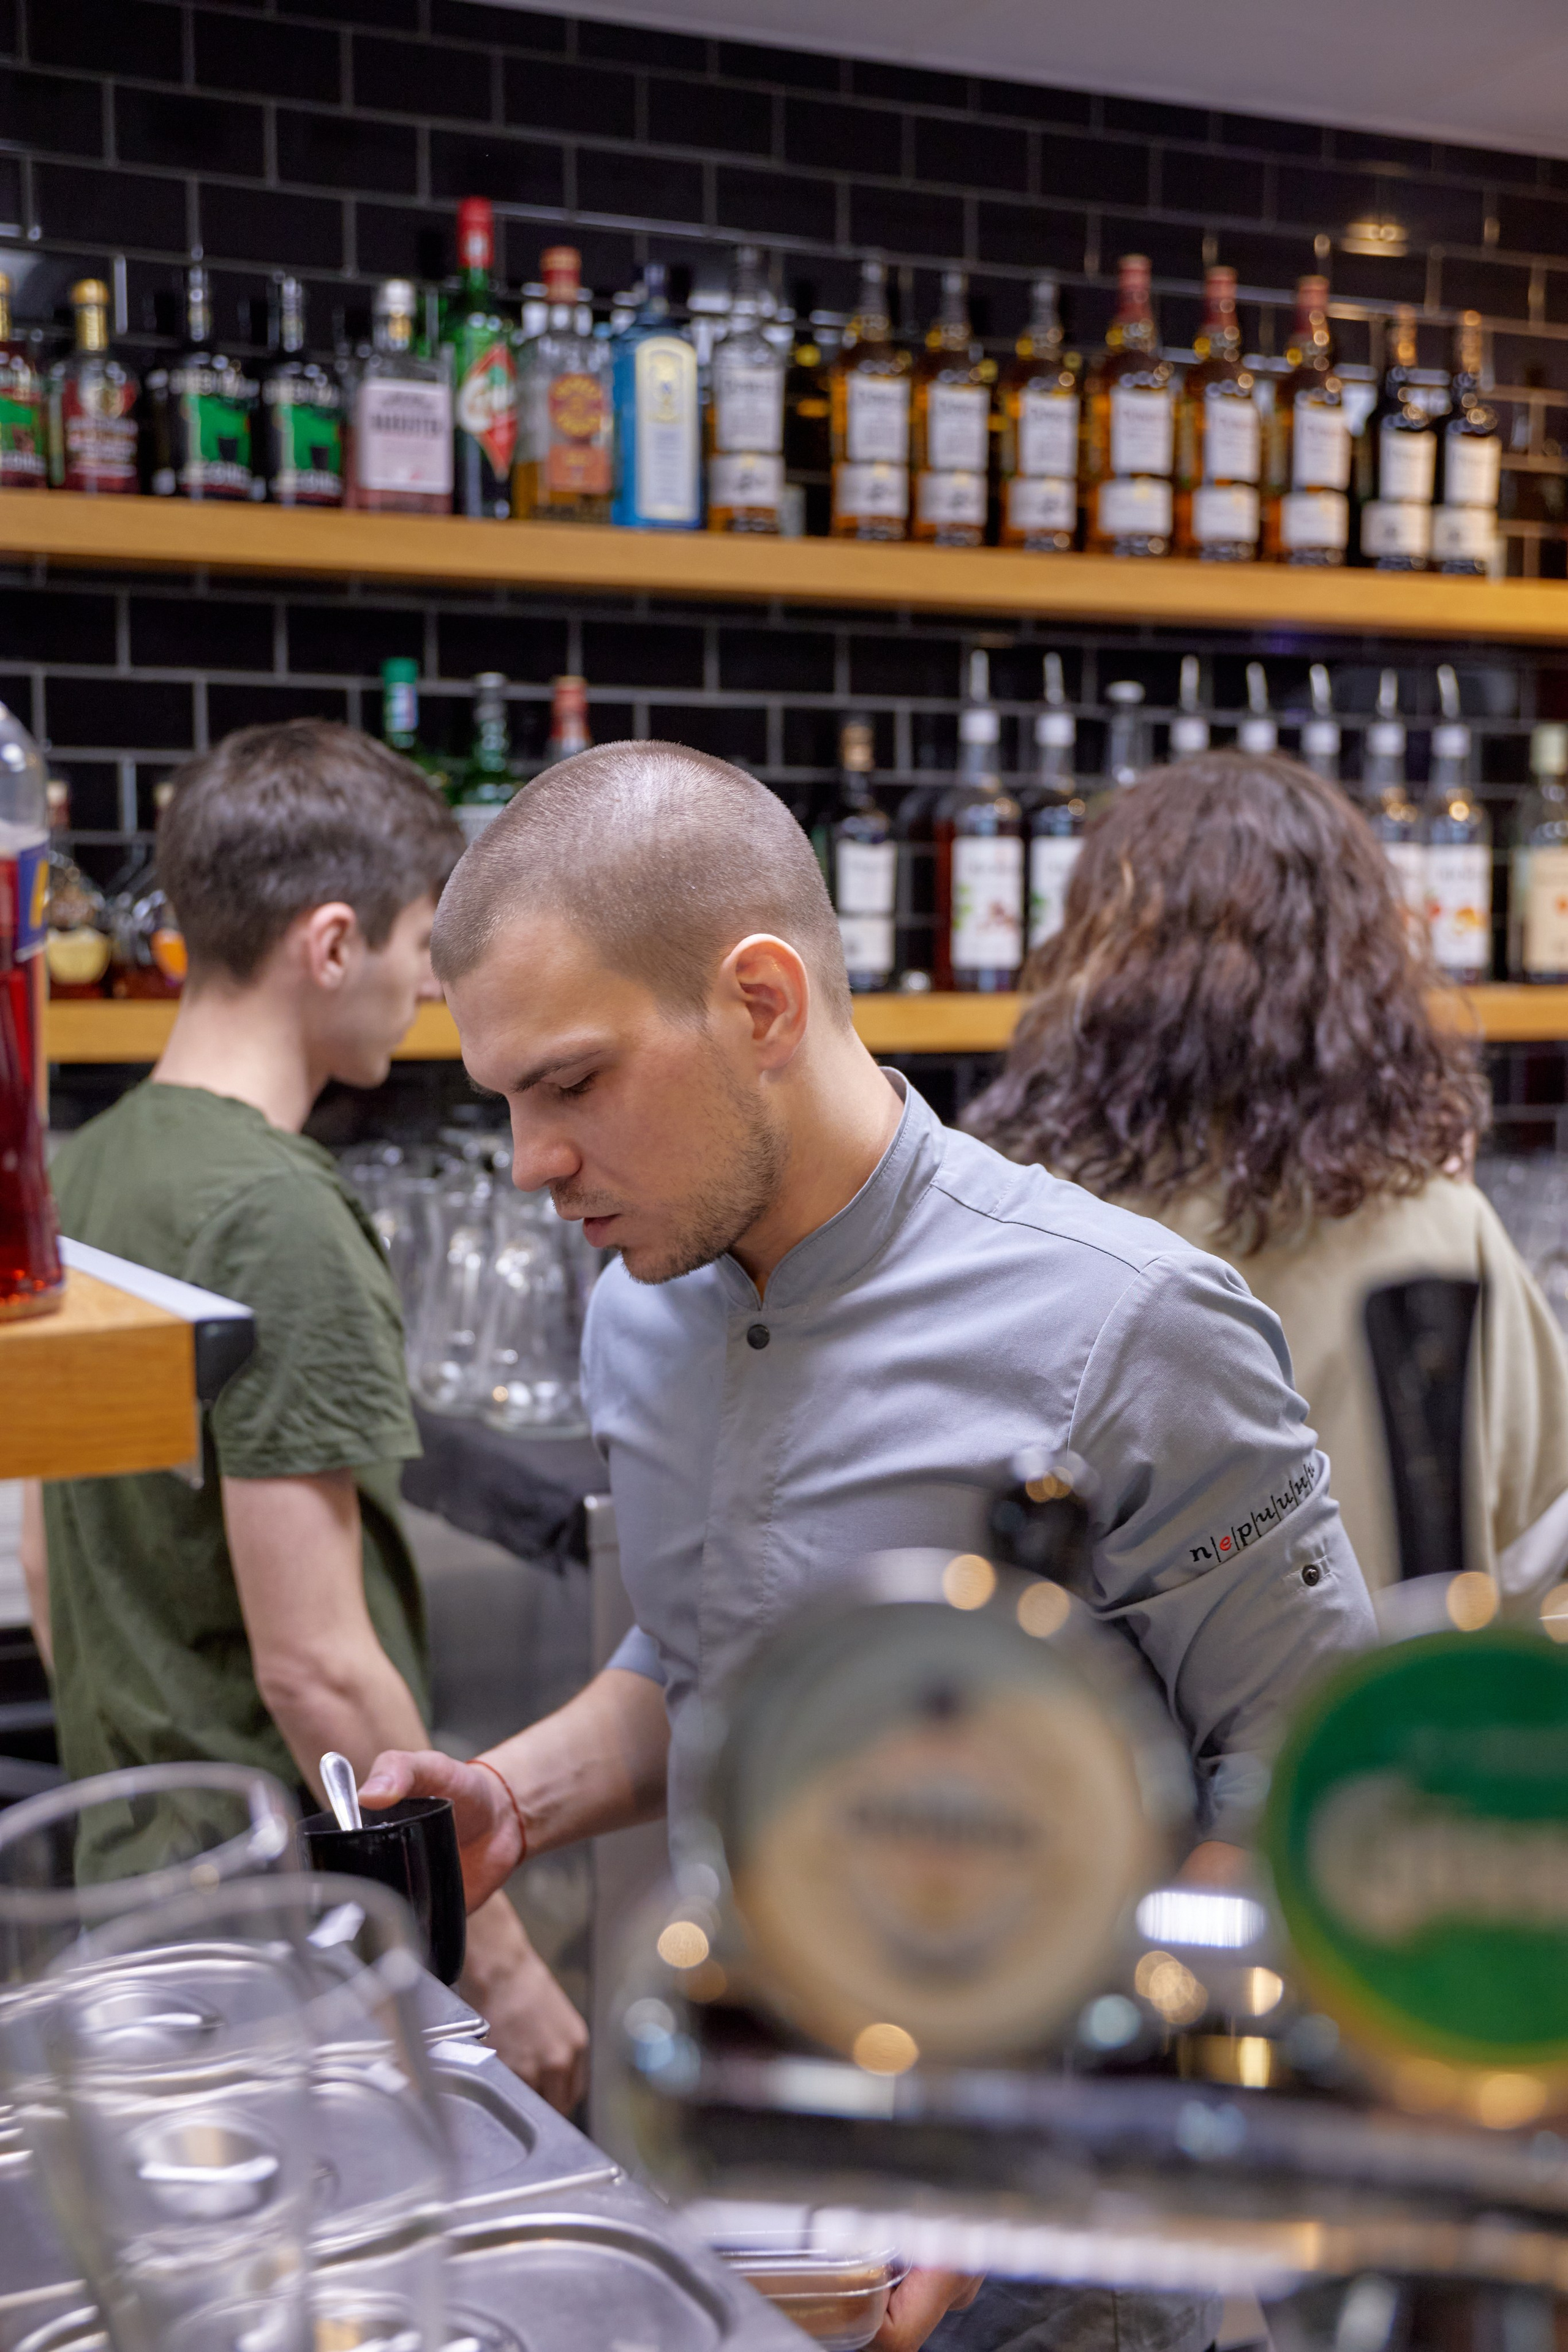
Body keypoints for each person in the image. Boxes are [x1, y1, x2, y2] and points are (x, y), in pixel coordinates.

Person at [361, 739, 1376, 2352]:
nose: (531, 1161)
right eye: (505, 1102)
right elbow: (711, 1655)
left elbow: (1315, 1793)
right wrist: (515, 1798)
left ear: (762, 1003)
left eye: (570, 1084)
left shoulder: (1129, 1329)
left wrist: (1022, 2158)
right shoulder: (637, 1314)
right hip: (722, 2185)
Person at [18, 719, 587, 2110]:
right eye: (417, 948)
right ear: (330, 945)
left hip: (138, 1895)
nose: (430, 988)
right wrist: (499, 1961)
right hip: (282, 1936)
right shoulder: (278, 1218)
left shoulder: (87, 1168)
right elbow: (316, 1669)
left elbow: (46, 1565)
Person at [968, 747, 1568, 1604]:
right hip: (1379, 1725)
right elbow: (1541, 1540)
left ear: (1100, 952)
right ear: (1362, 965)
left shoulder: (1022, 1212)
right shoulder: (1440, 1219)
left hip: (1105, 1730)